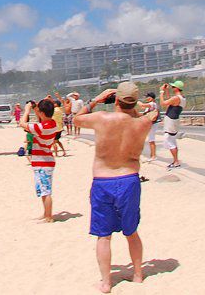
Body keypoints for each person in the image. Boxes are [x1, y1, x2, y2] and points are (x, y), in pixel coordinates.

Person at [73, 82, 158, 294]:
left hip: (103, 180)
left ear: (115, 99)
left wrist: (97, 99)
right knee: (131, 231)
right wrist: (133, 102)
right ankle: (138, 274)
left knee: (104, 236)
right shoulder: (143, 122)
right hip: (129, 179)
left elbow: (75, 119)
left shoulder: (102, 118)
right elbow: (154, 111)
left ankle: (106, 282)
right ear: (133, 101)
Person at [20, 98, 57, 223]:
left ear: (42, 113)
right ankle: (46, 213)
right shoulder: (52, 124)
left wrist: (26, 110)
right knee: (43, 189)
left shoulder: (41, 128)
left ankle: (49, 217)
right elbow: (42, 118)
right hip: (45, 160)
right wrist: (36, 108)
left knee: (46, 191)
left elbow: (22, 123)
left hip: (43, 162)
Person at [160, 81, 184, 169]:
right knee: (172, 140)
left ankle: (176, 161)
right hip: (173, 120)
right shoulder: (180, 98)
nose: (172, 88)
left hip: (171, 121)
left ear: (177, 88)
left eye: (173, 87)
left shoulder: (176, 98)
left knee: (169, 140)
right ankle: (175, 161)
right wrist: (166, 91)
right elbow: (170, 101)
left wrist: (161, 92)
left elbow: (163, 103)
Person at [138, 92, 159, 161]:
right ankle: (152, 155)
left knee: (151, 140)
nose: (146, 98)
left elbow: (142, 105)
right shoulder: (152, 104)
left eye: (147, 97)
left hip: (152, 124)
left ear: (151, 97)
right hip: (150, 123)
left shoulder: (152, 104)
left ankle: (153, 156)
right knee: (150, 139)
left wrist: (136, 101)